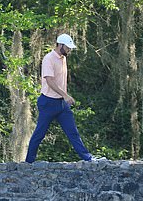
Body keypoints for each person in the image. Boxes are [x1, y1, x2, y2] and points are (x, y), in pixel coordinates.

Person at [25, 34, 103, 163]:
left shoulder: (63, 58)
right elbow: (49, 81)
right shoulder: (48, 59)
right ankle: (29, 162)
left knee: (72, 132)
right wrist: (65, 95)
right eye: (67, 47)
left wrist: (63, 97)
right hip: (48, 102)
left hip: (61, 104)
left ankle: (87, 158)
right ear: (60, 45)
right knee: (39, 134)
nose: (69, 50)